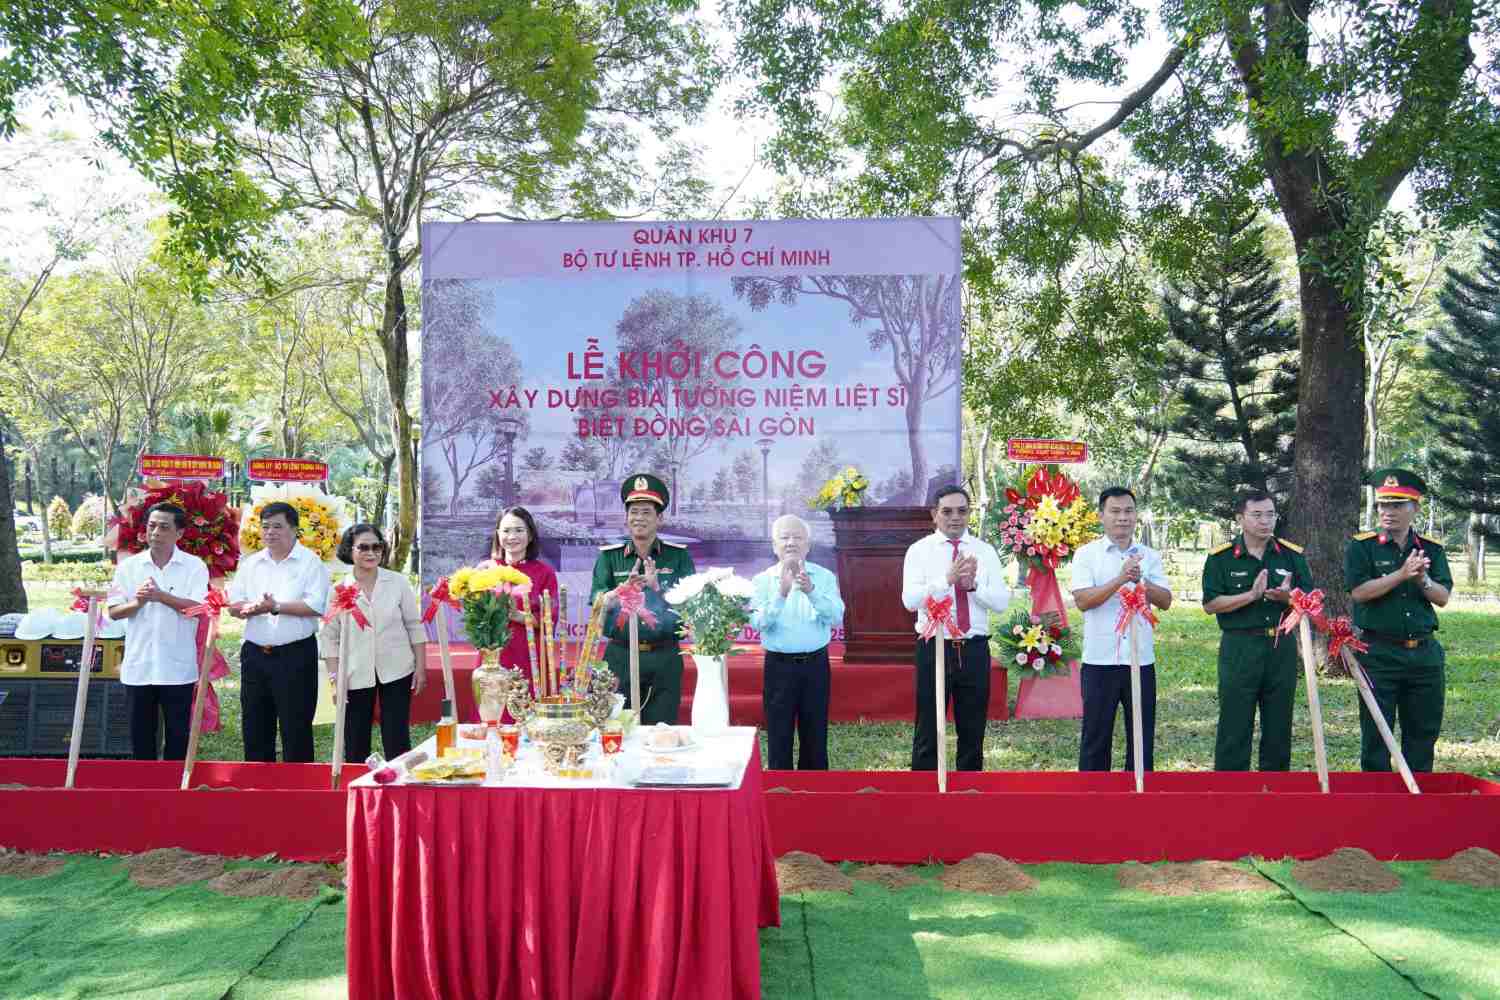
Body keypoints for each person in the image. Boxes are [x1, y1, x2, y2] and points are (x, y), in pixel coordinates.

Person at [1345, 468, 1452, 772]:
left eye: (1397, 505)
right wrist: (1401, 574)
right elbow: (1360, 592)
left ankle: (1418, 805)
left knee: (1422, 734)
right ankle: (1377, 806)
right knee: (1377, 737)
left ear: (1415, 508)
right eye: (1383, 505)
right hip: (1378, 653)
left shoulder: (1431, 549)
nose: (1388, 512)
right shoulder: (1362, 547)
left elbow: (1442, 597)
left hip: (1424, 655)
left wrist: (1422, 580)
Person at [1201, 491, 1313, 772]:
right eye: (1257, 515)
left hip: (1280, 646)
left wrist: (1288, 598)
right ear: (1240, 518)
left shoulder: (1291, 556)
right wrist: (1251, 596)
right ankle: (1229, 792)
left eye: (1270, 514)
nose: (1266, 521)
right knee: (1234, 724)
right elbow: (1211, 604)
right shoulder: (1221, 558)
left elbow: (1310, 602)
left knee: (1279, 724)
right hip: (1239, 647)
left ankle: (1274, 792)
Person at [900, 485, 1009, 772]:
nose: (955, 518)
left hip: (973, 649)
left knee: (973, 729)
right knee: (928, 728)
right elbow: (910, 601)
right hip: (934, 646)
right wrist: (945, 580)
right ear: (934, 515)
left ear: (969, 513)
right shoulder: (919, 551)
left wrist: (973, 587)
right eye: (947, 511)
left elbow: (1000, 603)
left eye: (962, 511)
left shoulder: (984, 552)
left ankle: (969, 793)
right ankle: (923, 794)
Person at [1069, 486, 1173, 772]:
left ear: (1136, 516)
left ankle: (1139, 795)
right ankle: (1092, 798)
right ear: (1101, 515)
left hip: (1140, 660)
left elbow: (1165, 601)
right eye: (1115, 511)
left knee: (1142, 737)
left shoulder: (1149, 556)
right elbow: (1083, 601)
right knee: (1095, 738)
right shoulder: (1087, 555)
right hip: (1100, 661)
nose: (1122, 518)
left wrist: (1142, 582)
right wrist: (1120, 579)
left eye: (1128, 511)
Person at [228, 500, 331, 762]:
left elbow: (315, 605)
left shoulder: (310, 563)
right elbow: (234, 605)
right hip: (255, 654)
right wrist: (250, 608)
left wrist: (275, 607)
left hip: (295, 655)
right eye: (265, 527)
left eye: (278, 526)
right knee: (254, 724)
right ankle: (258, 787)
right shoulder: (251, 564)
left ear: (295, 529)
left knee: (295, 726)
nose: (270, 532)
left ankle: (298, 790)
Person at [106, 503, 209, 760]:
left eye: (164, 527)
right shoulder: (129, 567)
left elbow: (200, 609)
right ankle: (145, 791)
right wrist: (139, 602)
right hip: (139, 666)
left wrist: (161, 596)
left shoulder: (194, 566)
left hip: (177, 668)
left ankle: (175, 792)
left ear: (179, 533)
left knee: (178, 738)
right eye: (151, 526)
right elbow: (114, 611)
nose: (156, 533)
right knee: (141, 738)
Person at [589, 473, 695, 725]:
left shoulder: (677, 557)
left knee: (661, 731)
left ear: (660, 518)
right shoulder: (609, 557)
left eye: (646, 512)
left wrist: (658, 588)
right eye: (633, 511)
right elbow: (596, 602)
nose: (639, 518)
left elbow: (691, 605)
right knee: (615, 728)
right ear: (626, 518)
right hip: (619, 657)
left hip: (665, 657)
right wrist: (618, 594)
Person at [320, 524, 426, 761]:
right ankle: (358, 788)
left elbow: (414, 625)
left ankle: (399, 786)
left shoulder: (398, 582)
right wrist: (334, 678)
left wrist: (420, 667)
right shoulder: (338, 589)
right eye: (364, 547)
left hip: (397, 668)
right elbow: (329, 637)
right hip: (354, 671)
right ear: (350, 550)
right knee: (355, 737)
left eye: (377, 547)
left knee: (397, 735)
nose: (371, 553)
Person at [751, 514, 845, 770]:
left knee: (815, 734)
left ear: (808, 545)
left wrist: (812, 592)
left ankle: (814, 795)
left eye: (797, 537)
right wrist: (781, 594)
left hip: (815, 665)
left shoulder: (823, 577)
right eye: (784, 537)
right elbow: (758, 622)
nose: (791, 542)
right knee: (779, 735)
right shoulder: (762, 580)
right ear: (774, 546)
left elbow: (836, 617)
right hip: (778, 666)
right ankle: (779, 793)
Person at [486, 506, 558, 686]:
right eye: (506, 531)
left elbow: (550, 620)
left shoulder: (544, 573)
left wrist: (519, 616)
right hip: (493, 654)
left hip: (529, 654)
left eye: (519, 530)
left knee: (527, 708)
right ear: (497, 534)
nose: (512, 537)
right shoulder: (486, 570)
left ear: (530, 535)